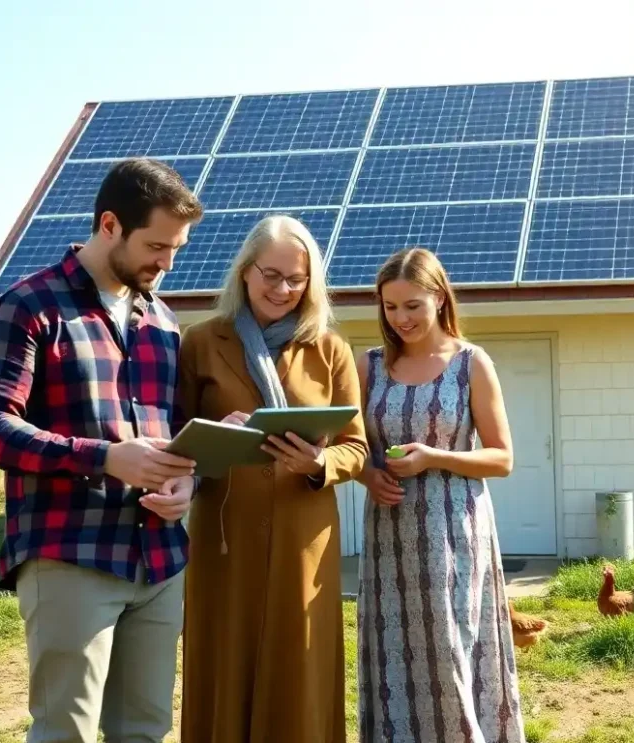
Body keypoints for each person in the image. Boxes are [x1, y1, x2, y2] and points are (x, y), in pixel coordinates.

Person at [0, 158, 205, 742]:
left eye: (176, 248)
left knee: (144, 732)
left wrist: (185, 482)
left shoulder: (164, 322)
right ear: (110, 224)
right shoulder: (29, 307)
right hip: (70, 553)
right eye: (156, 245)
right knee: (65, 733)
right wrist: (102, 457)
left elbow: (169, 433)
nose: (167, 262)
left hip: (159, 559)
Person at [176, 214, 368, 743]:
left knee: (299, 665)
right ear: (245, 271)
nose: (283, 289)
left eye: (297, 279)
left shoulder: (329, 348)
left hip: (304, 537)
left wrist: (318, 465)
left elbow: (357, 446)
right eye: (271, 275)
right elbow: (175, 439)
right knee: (224, 663)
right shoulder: (200, 342)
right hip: (224, 534)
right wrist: (217, 432)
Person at [354, 246, 525, 743]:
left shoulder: (470, 363)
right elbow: (349, 446)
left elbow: (502, 458)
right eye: (390, 307)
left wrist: (434, 457)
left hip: (455, 530)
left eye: (413, 305)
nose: (401, 318)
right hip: (389, 531)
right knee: (393, 649)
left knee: (453, 644)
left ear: (439, 298)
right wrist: (367, 473)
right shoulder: (369, 367)